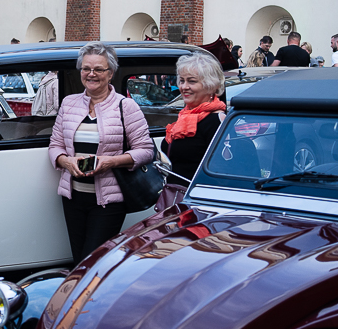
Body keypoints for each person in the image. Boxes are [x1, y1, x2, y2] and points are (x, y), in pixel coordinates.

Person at [48, 42, 154, 265]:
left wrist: (111, 162)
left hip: (108, 201)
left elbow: (146, 151)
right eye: (86, 69)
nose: (91, 74)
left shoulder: (126, 107)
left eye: (98, 69)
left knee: (93, 261)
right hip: (73, 196)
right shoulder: (69, 104)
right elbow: (55, 145)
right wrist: (66, 162)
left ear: (110, 74)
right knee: (78, 260)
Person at [161, 52, 226, 187]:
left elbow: (222, 172)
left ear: (211, 85)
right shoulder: (185, 116)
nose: (184, 87)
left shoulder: (217, 121)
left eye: (192, 81)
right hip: (177, 197)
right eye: (182, 81)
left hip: (200, 201)